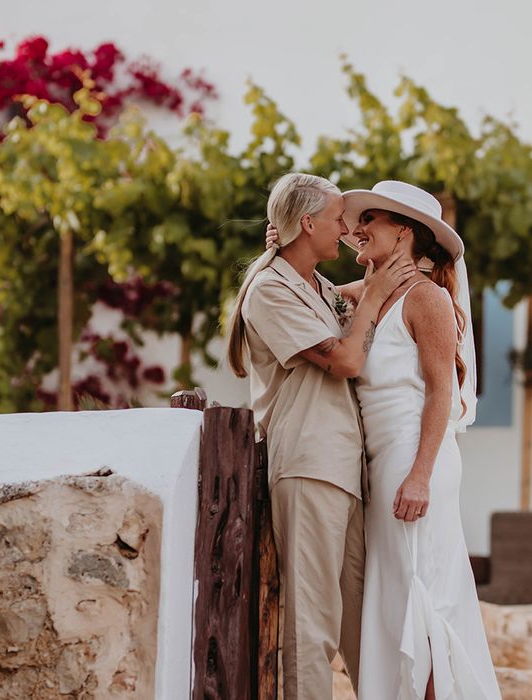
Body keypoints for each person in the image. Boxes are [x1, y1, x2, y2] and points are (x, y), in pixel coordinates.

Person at [266, 180, 501, 699]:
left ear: (404, 233)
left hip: (417, 460)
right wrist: (278, 243)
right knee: (396, 599)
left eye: (371, 220)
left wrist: (420, 476)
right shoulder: (370, 295)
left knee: (425, 599)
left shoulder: (428, 300)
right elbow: (305, 287)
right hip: (380, 462)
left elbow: (443, 392)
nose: (358, 229)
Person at [225, 173, 417, 700]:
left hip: (347, 469)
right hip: (309, 465)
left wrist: (396, 269)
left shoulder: (318, 287)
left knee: (361, 617)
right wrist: (376, 292)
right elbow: (348, 359)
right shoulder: (270, 290)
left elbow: (355, 299)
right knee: (313, 619)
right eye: (338, 219)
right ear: (307, 223)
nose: (347, 229)